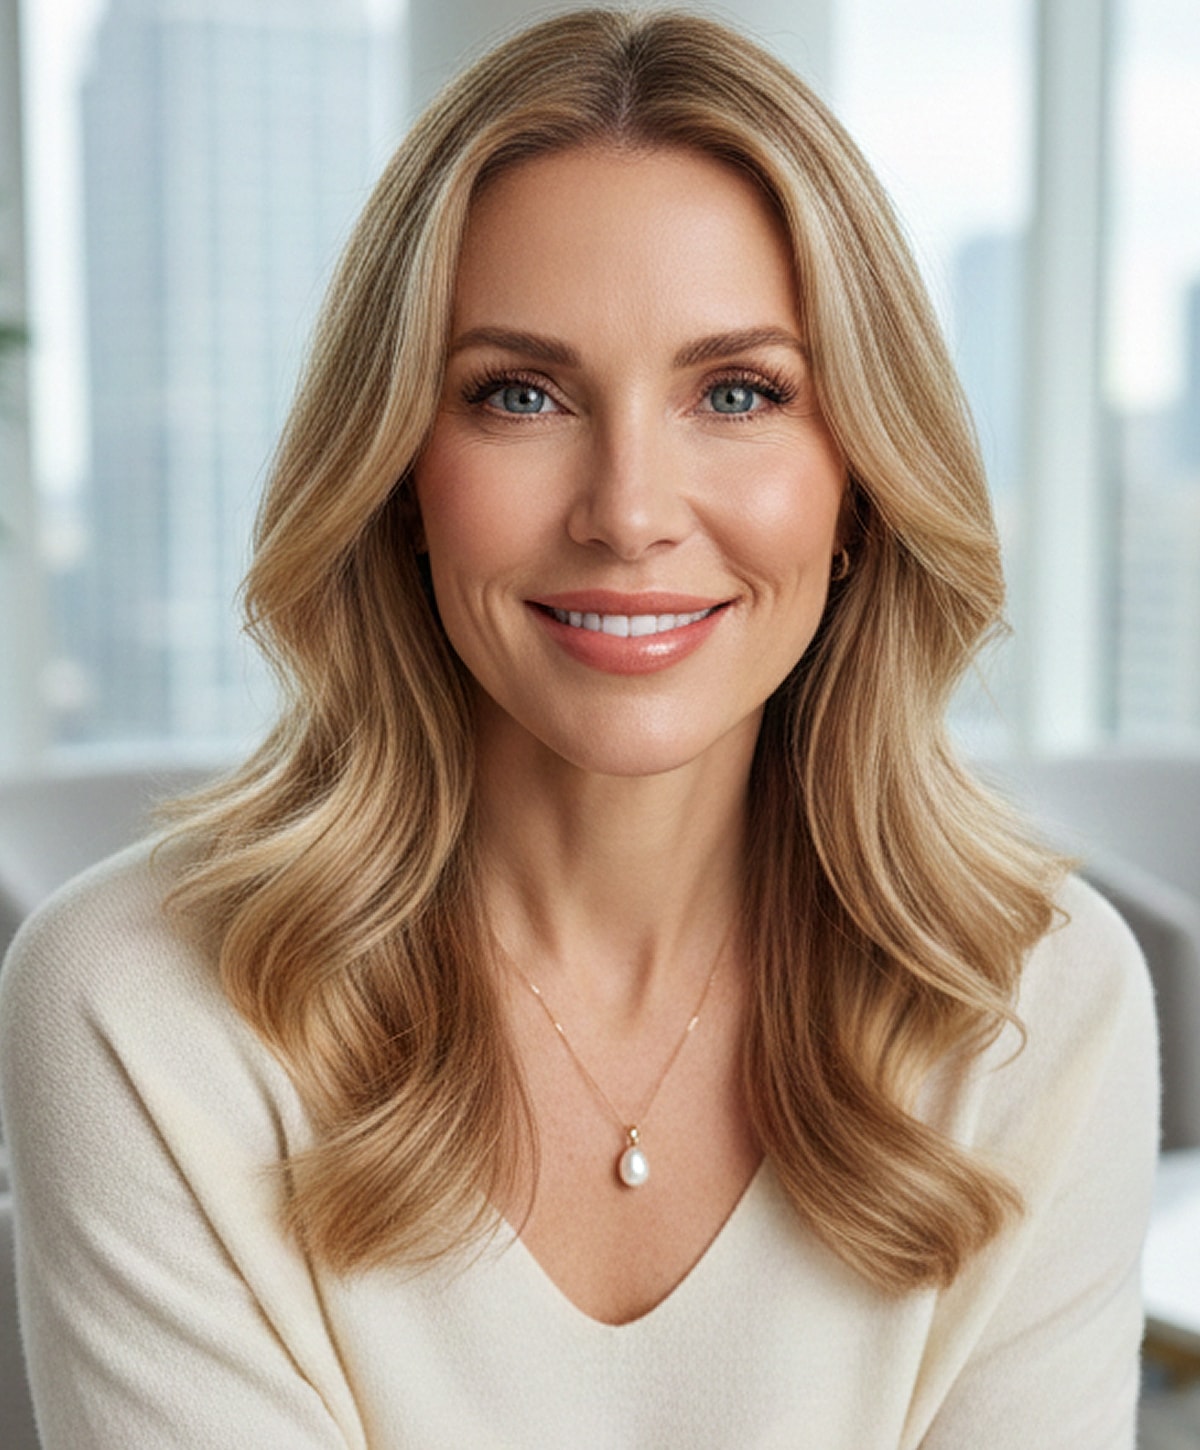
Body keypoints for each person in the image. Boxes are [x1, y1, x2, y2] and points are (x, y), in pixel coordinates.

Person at [0, 8, 1158, 1448]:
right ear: (398, 477)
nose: (626, 508)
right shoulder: (140, 1009)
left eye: (737, 391)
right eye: (520, 394)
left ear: (857, 480)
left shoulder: (1036, 1002)